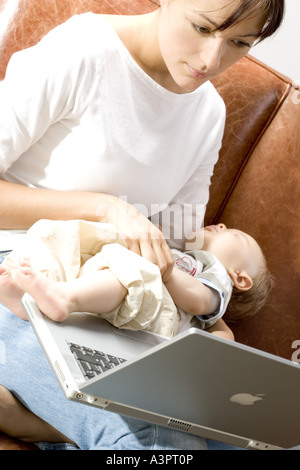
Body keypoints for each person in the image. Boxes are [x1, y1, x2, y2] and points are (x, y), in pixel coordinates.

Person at [0, 0, 284, 451]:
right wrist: (102, 208)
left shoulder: (207, 111)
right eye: (201, 27)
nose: (212, 60)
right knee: (154, 440)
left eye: (239, 43)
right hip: (24, 270)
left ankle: (40, 425)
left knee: (249, 437)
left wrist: (211, 329)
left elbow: (178, 247)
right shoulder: (81, 51)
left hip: (113, 291)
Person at [0, 220, 272, 342]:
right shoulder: (184, 257)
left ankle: (64, 298)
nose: (223, 226)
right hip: (125, 293)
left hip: (158, 318)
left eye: (238, 237)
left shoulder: (216, 276)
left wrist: (161, 268)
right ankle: (30, 299)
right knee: (77, 236)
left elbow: (200, 301)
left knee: (136, 270)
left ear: (240, 278)